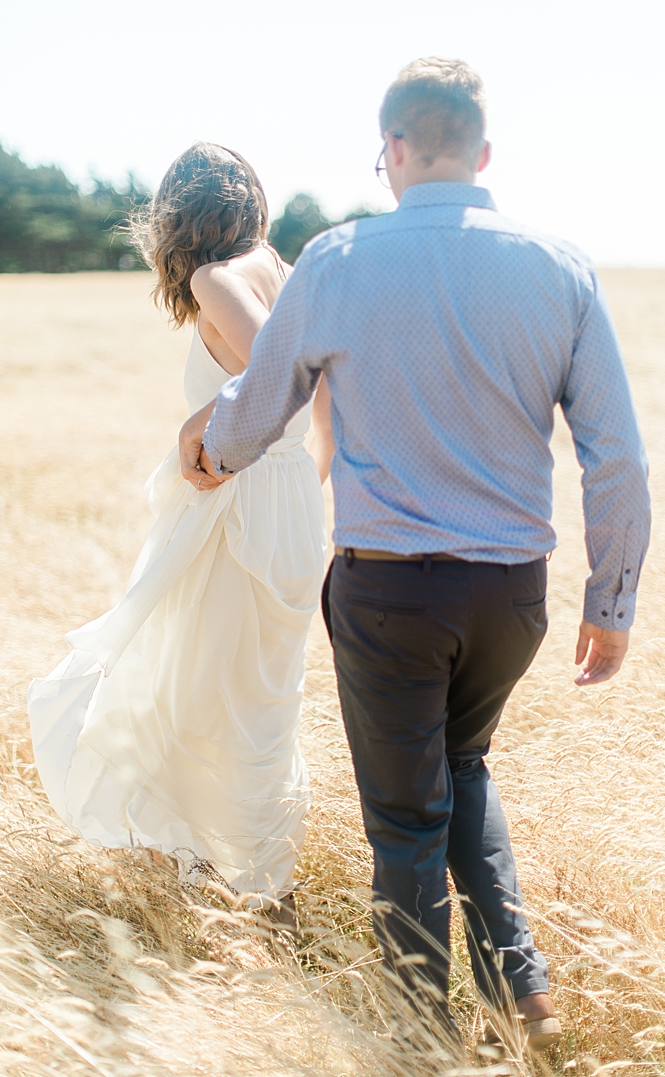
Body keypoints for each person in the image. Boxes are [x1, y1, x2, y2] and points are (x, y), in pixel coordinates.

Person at [181, 58, 649, 1050]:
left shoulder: (339, 259)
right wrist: (610, 606)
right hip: (513, 600)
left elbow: (258, 411)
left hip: (387, 592)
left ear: (389, 151)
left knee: (405, 822)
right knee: (461, 763)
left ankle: (415, 1046)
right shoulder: (560, 265)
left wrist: (208, 450)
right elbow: (617, 458)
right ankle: (524, 1002)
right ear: (483, 153)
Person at [28, 143, 332, 909]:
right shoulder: (288, 273)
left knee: (199, 696)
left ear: (180, 214)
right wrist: (300, 482)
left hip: (242, 508)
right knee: (254, 703)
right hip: (288, 504)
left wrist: (203, 419)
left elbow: (280, 377)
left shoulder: (214, 276)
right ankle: (245, 880)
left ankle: (251, 890)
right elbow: (322, 395)